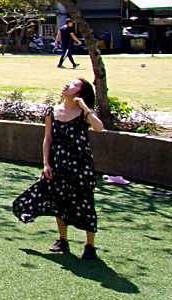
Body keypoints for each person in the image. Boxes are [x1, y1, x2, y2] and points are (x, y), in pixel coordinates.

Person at [11, 78, 105, 259]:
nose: (68, 85)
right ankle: (63, 239)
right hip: (57, 163)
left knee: (85, 202)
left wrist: (85, 107)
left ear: (80, 92)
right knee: (59, 201)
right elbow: (48, 139)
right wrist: (46, 163)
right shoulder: (52, 111)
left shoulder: (83, 113)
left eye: (74, 85)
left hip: (81, 165)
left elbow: (99, 128)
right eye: (69, 82)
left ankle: (90, 245)